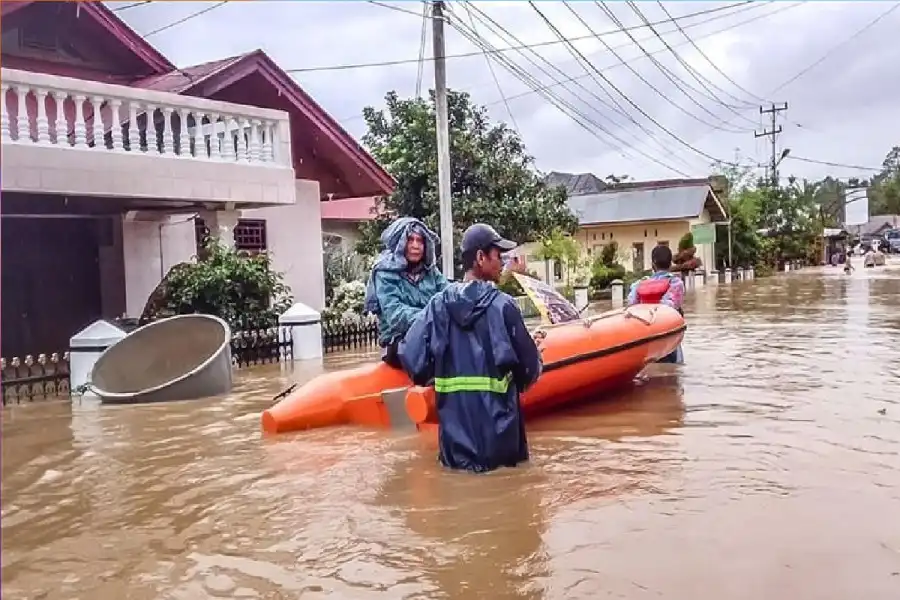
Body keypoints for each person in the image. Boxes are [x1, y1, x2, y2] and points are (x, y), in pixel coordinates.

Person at [397, 223, 544, 473]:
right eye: (498, 255)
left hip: (454, 447)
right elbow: (529, 372)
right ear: (480, 257)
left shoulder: (437, 305)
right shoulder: (504, 306)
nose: (501, 262)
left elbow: (412, 359)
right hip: (500, 446)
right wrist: (533, 351)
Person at [364, 217, 448, 368]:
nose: (416, 246)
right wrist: (431, 317)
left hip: (431, 336)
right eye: (410, 240)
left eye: (420, 241)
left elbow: (448, 296)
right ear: (400, 243)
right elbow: (395, 315)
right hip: (398, 342)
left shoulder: (431, 272)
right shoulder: (385, 272)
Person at [627, 244, 685, 364]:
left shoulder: (638, 284)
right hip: (668, 338)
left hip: (646, 339)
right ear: (670, 264)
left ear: (653, 264)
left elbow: (631, 305)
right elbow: (670, 307)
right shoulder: (676, 283)